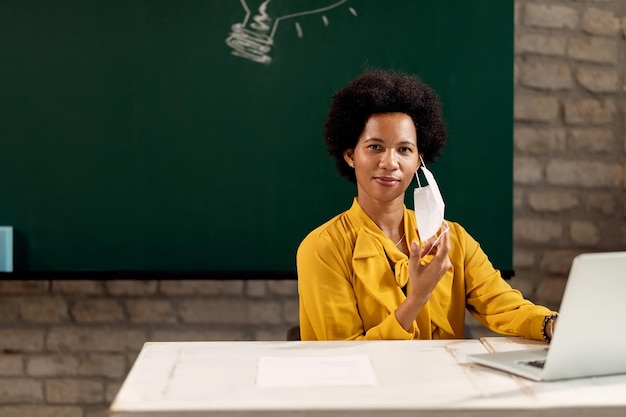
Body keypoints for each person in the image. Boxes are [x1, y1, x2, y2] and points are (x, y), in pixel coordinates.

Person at [296, 69, 558, 341]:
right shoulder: (322, 249)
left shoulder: (451, 240)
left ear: (419, 160)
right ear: (351, 155)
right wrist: (416, 300)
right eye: (375, 147)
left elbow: (506, 307)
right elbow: (343, 359)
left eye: (404, 150)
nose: (390, 163)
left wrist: (552, 325)